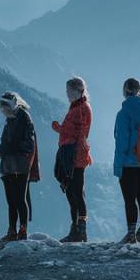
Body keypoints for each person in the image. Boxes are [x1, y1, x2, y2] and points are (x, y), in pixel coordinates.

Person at [113, 77, 140, 244]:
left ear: (125, 91)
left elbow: (122, 141)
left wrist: (118, 166)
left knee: (129, 199)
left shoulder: (123, 113)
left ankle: (131, 233)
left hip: (129, 162)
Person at [52, 76, 93, 243]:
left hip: (76, 155)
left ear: (79, 91)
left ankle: (80, 230)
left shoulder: (82, 108)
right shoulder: (77, 107)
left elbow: (81, 132)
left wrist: (59, 128)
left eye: (70, 91)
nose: (67, 94)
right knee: (71, 191)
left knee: (76, 191)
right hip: (71, 154)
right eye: (67, 91)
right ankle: (75, 229)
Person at [0, 91, 38, 241]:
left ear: (13, 104)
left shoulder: (24, 119)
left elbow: (28, 144)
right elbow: (6, 141)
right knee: (11, 200)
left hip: (20, 165)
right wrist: (0, 149)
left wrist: (7, 148)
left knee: (20, 199)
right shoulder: (11, 120)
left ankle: (22, 230)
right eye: (2, 108)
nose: (4, 111)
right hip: (8, 165)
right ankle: (12, 231)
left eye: (5, 107)